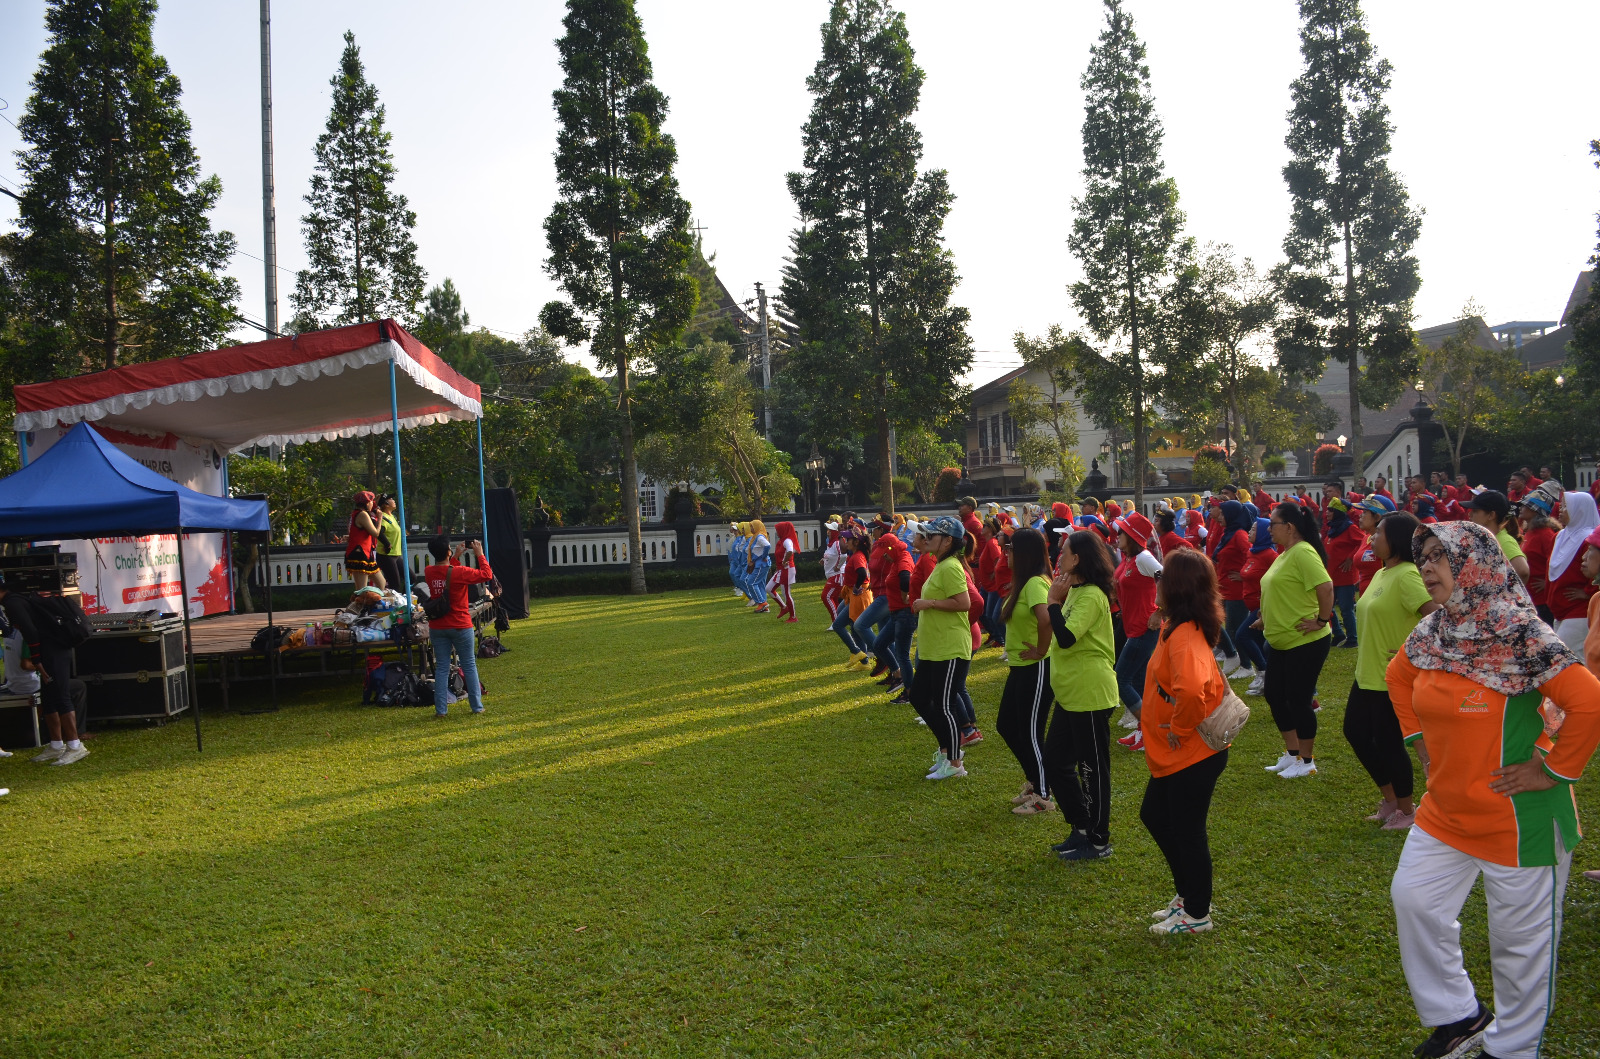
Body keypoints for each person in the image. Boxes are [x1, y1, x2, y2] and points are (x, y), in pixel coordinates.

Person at [1388, 521, 1600, 1059]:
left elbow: (1589, 702)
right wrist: (1417, 737)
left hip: (1519, 822)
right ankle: (1459, 1016)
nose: (1427, 567)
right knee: (1414, 901)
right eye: (1423, 557)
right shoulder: (1434, 631)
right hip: (1444, 813)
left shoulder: (1522, 634)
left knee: (1518, 949)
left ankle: (1512, 1049)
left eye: (1439, 556)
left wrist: (1552, 770)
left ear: (1474, 563)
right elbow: (1398, 677)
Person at [1140, 548, 1230, 935]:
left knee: (1187, 830)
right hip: (1182, 754)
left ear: (1176, 587)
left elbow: (1191, 691)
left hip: (1193, 753)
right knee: (1156, 816)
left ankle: (1196, 913)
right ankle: (1189, 894)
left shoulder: (1184, 635)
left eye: (1161, 578)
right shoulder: (1176, 626)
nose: (1156, 583)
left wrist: (1177, 729)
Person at [1344, 512, 1438, 830]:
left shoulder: (1408, 575)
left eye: (1379, 532)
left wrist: (1412, 650)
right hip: (1367, 673)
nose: (1373, 537)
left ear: (1396, 538)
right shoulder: (1383, 572)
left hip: (1392, 677)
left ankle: (1407, 810)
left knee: (1388, 743)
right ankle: (1390, 800)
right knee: (1356, 733)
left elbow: (1436, 617)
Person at [1042, 530, 1120, 858]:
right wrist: (1058, 600)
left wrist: (1052, 602)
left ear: (1077, 559)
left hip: (1090, 694)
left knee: (1091, 769)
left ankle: (1099, 840)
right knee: (1055, 761)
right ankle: (1082, 826)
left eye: (1064, 552)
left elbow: (1067, 638)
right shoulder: (1074, 591)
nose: (1058, 557)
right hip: (1072, 694)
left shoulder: (1091, 595)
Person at [1258, 501, 1334, 779]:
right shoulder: (1285, 554)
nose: (1269, 529)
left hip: (1305, 641)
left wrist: (1321, 620)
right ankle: (1292, 754)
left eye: (1273, 524)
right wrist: (1266, 616)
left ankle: (1307, 760)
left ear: (1289, 527)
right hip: (1282, 641)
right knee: (1275, 695)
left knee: (1298, 700)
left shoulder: (1303, 552)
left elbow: (1326, 587)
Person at [0, 572, 90, 765]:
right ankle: (56, 745)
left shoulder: (13, 603)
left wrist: (37, 659)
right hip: (48, 649)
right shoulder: (15, 599)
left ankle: (75, 746)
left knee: (61, 695)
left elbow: (30, 631)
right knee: (48, 698)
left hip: (54, 650)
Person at [996, 528, 1056, 813]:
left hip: (1037, 667)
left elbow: (1046, 619)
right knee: (1007, 725)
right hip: (1021, 667)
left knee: (1031, 732)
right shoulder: (1024, 583)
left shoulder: (1034, 584)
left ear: (1024, 553)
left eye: (1010, 548)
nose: (1006, 553)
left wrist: (1041, 650)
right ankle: (1036, 779)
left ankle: (1043, 796)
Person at [909, 516, 974, 780]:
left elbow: (964, 602)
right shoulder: (941, 564)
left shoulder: (950, 567)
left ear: (948, 541)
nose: (926, 539)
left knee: (945, 705)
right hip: (935, 648)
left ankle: (955, 763)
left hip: (949, 647)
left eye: (932, 535)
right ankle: (947, 750)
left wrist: (929, 603)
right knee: (919, 697)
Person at [1110, 512, 1163, 753]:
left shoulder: (1144, 557)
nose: (1118, 535)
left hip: (1145, 628)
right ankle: (1145, 731)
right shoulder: (1130, 558)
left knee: (1121, 679)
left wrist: (1160, 611)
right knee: (1139, 681)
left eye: (1122, 531)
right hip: (1133, 626)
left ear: (1132, 536)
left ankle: (1151, 731)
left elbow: (1167, 578)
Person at [423, 535, 493, 717]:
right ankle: (477, 707)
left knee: (442, 668)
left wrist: (454, 556)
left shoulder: (428, 571)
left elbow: (446, 574)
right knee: (469, 665)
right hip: (460, 624)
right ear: (447, 551)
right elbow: (487, 575)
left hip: (438, 626)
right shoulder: (460, 572)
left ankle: (441, 710)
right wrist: (480, 554)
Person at [1546, 491, 1599, 653]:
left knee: (1565, 655)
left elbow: (1595, 570)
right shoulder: (1559, 536)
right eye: (1561, 506)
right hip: (1559, 609)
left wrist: (1587, 592)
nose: (1560, 510)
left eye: (1566, 507)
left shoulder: (1589, 539)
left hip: (1579, 610)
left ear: (1579, 510)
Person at [1209, 499, 1252, 676]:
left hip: (1236, 590)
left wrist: (1244, 574)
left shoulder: (1239, 535)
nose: (1219, 517)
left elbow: (1251, 555)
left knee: (1236, 629)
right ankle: (1232, 656)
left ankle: (1247, 666)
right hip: (1224, 587)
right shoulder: (1228, 533)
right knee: (1218, 623)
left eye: (1223, 513)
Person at [1236, 517, 1277, 696]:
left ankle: (1262, 671)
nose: (1249, 532)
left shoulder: (1270, 555)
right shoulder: (1252, 552)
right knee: (1261, 644)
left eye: (1253, 529)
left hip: (1262, 607)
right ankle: (1268, 683)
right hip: (1252, 606)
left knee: (1242, 636)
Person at [1322, 497, 1367, 649]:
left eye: (1330, 510)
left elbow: (1363, 542)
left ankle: (1352, 638)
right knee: (1328, 607)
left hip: (1345, 575)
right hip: (1331, 574)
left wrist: (1350, 558)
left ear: (1338, 512)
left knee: (1346, 609)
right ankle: (1338, 634)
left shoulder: (1350, 528)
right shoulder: (1332, 528)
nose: (1327, 513)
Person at [1466, 490, 1530, 584]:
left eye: (1475, 511)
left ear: (1491, 515)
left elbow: (1522, 571)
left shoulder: (1504, 540)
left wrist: (1503, 590)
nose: (1470, 514)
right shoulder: (1487, 537)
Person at [830, 530, 872, 667]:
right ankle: (864, 663)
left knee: (838, 625)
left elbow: (862, 573)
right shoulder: (855, 555)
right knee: (854, 628)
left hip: (858, 596)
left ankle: (857, 651)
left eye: (847, 539)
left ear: (856, 542)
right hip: (854, 595)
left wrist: (856, 587)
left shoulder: (857, 556)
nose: (845, 541)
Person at [1518, 493, 1560, 624]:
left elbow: (1558, 562)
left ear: (1534, 510)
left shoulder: (1545, 534)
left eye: (1525, 506)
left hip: (1542, 600)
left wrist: (1547, 583)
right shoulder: (1530, 531)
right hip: (1532, 597)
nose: (1521, 508)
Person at [345, 491, 387, 592]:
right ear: (367, 503)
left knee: (381, 583)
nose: (372, 504)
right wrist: (380, 519)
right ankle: (361, 601)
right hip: (359, 554)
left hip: (366, 553)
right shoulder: (362, 514)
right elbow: (375, 533)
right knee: (361, 590)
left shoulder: (359, 513)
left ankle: (372, 600)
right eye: (371, 501)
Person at [1353, 494, 1395, 593]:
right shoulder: (1366, 538)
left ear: (1377, 517)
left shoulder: (1387, 542)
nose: (1360, 515)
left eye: (1364, 512)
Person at [769, 521, 801, 623]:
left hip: (787, 569)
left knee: (786, 593)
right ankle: (784, 607)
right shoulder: (782, 540)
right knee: (768, 588)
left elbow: (790, 551)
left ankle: (793, 616)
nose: (777, 532)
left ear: (783, 530)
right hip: (781, 569)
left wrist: (785, 561)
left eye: (778, 530)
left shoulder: (787, 540)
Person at [373, 494, 406, 592]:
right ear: (386, 504)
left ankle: (404, 598)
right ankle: (393, 600)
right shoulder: (383, 518)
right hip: (386, 556)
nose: (394, 500)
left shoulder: (392, 517)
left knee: (411, 578)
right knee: (395, 584)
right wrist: (387, 544)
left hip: (395, 554)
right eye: (391, 499)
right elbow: (379, 533)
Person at [820, 517, 845, 623]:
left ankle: (836, 621)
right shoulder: (830, 543)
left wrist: (838, 566)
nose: (828, 532)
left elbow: (843, 555)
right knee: (834, 598)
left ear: (835, 532)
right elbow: (831, 555)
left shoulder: (837, 543)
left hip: (837, 575)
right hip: (832, 575)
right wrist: (823, 560)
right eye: (828, 530)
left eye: (830, 530)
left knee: (826, 596)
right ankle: (840, 620)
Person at [746, 520, 773, 614]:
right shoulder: (755, 537)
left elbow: (767, 545)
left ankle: (762, 603)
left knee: (751, 583)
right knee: (760, 584)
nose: (751, 528)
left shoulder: (759, 537)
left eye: (752, 526)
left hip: (761, 564)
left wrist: (764, 556)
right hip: (760, 563)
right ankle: (764, 606)